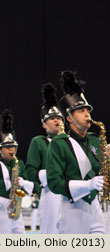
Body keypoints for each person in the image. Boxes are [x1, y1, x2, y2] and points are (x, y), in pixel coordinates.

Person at [46, 70, 107, 233]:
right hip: (72, 209)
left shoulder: (95, 139)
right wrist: (88, 185)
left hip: (95, 206)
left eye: (88, 110)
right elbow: (54, 183)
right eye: (81, 111)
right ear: (68, 117)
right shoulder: (59, 144)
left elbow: (101, 173)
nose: (87, 115)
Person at [0, 109, 34, 234]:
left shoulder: (19, 163)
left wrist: (24, 183)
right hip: (0, 214)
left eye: (13, 147)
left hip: (18, 213)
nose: (12, 150)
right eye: (8, 147)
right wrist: (1, 201)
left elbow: (32, 187)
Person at [25, 83, 63, 233]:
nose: (56, 120)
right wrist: (49, 176)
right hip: (50, 192)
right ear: (43, 124)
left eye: (59, 117)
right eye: (52, 118)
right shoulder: (38, 142)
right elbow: (30, 172)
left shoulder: (70, 142)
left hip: (70, 193)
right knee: (51, 235)